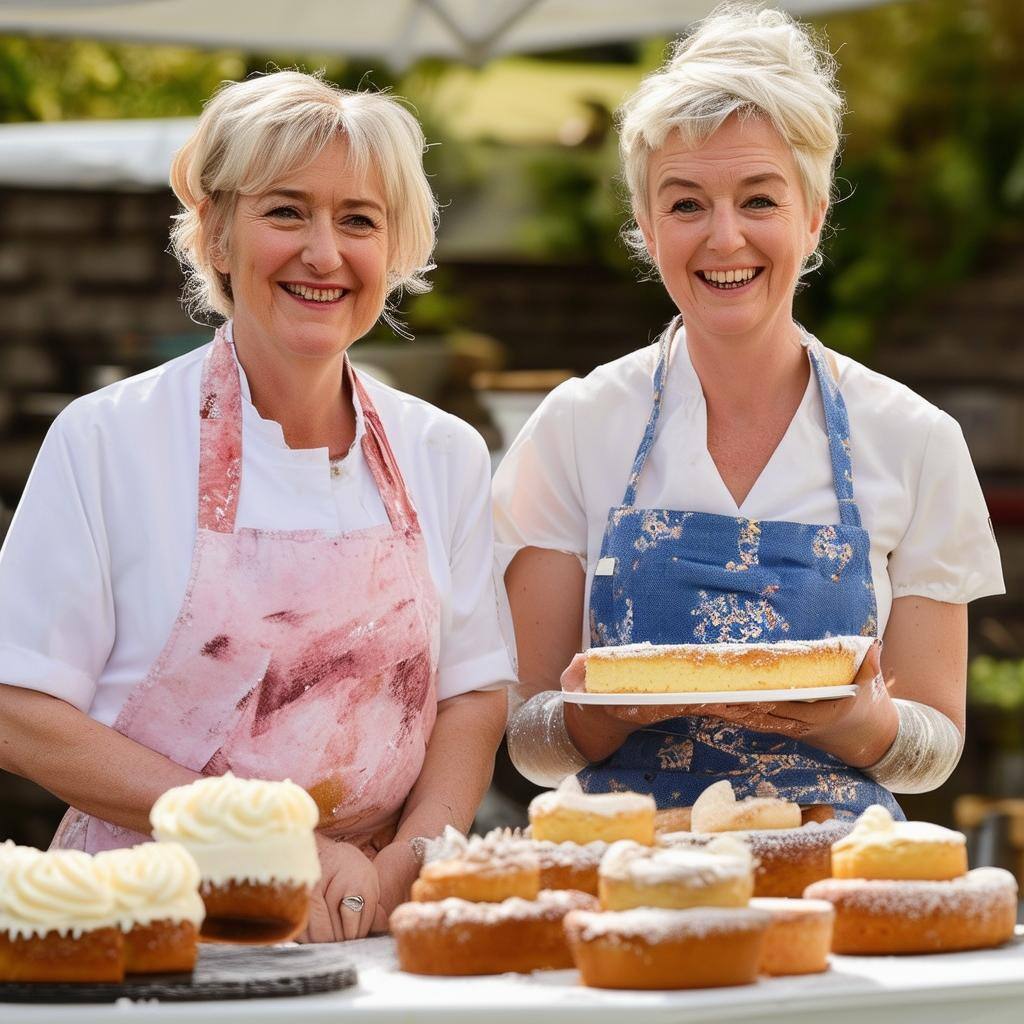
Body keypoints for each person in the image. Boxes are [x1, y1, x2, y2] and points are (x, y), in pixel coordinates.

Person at [0, 71, 514, 941]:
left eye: (358, 219)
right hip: (148, 919)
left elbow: (473, 695)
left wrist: (412, 860)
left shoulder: (445, 452)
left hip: (366, 916)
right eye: (286, 211)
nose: (324, 253)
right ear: (217, 234)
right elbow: (19, 706)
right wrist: (261, 841)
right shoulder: (107, 441)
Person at [495, 6, 1003, 817]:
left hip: (837, 877)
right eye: (687, 204)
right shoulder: (576, 426)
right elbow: (525, 735)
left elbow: (936, 745)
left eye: (759, 200)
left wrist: (862, 724)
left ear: (812, 215)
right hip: (629, 869)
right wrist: (595, 718)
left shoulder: (914, 440)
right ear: (646, 225)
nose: (723, 238)